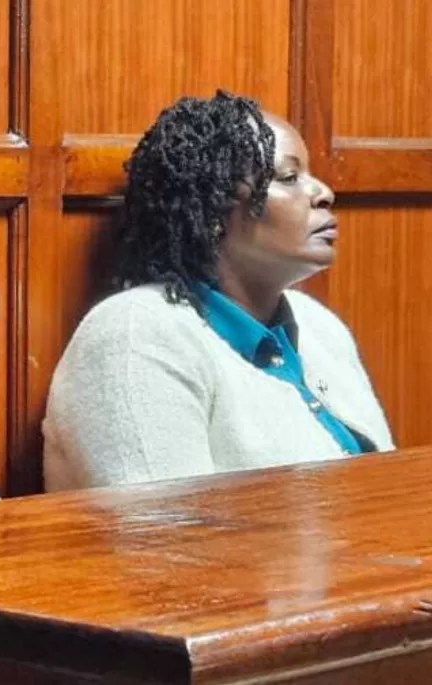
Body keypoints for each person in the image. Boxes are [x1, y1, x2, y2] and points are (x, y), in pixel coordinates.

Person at [43, 91, 393, 492]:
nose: (323, 192)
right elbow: (164, 538)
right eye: (289, 178)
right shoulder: (135, 334)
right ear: (213, 212)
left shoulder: (317, 324)